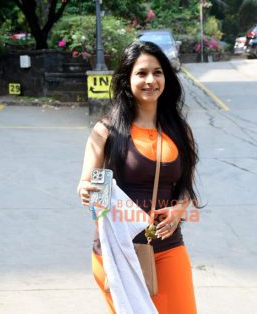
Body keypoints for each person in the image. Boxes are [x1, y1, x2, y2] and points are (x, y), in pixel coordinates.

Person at [77, 41, 199, 314]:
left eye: (157, 72)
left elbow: (186, 187)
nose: (150, 80)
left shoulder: (180, 130)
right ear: (127, 79)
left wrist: (180, 209)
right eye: (141, 73)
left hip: (168, 247)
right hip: (118, 253)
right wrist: (86, 190)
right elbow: (87, 184)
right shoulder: (105, 131)